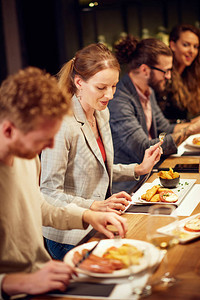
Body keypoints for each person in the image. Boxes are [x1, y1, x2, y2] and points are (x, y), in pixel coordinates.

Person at [0, 67, 128, 299]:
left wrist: (87, 216)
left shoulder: (25, 156)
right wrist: (19, 282)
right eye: (42, 139)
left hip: (42, 274)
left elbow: (38, 206)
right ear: (8, 130)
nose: (49, 147)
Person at [40, 43, 162, 260]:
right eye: (101, 87)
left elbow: (97, 168)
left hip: (100, 220)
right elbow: (49, 193)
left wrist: (138, 168)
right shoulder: (61, 125)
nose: (110, 95)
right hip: (68, 235)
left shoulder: (100, 112)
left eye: (114, 86)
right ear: (79, 83)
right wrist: (94, 205)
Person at [108, 35, 200, 193]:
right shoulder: (119, 101)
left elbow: (164, 128)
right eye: (166, 71)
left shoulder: (147, 91)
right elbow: (144, 148)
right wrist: (191, 129)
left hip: (151, 175)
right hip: (129, 187)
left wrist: (194, 124)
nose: (169, 76)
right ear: (145, 70)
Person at [157, 24, 200, 122]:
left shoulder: (191, 74)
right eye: (186, 45)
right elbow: (160, 123)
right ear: (172, 45)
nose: (192, 51)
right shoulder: (164, 75)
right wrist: (192, 124)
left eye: (196, 46)